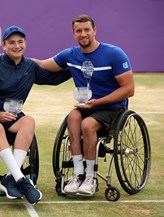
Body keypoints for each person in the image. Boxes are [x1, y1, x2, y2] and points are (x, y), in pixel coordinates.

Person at [0, 25, 71, 204]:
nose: (17, 46)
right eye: (12, 43)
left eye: (20, 42)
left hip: (11, 114)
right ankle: (21, 180)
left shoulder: (30, 66)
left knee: (28, 121)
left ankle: (9, 179)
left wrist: (74, 69)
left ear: (25, 44)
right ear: (3, 45)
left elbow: (53, 79)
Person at [32, 14, 134, 195]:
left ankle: (90, 177)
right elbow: (41, 65)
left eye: (87, 30)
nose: (83, 34)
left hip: (112, 108)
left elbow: (128, 89)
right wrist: (13, 58)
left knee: (87, 125)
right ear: (73, 34)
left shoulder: (114, 54)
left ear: (95, 31)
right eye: (79, 31)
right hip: (87, 107)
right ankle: (77, 174)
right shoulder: (69, 55)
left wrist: (98, 102)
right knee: (73, 116)